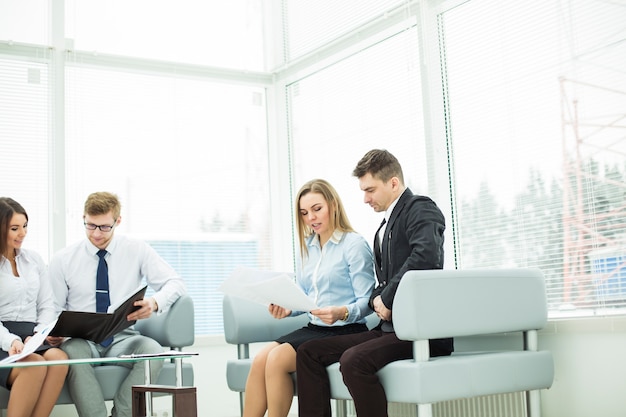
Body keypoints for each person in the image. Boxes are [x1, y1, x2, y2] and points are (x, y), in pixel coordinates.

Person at [296, 149, 454, 417]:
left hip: (420, 332)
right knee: (308, 352)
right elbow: (382, 282)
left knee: (353, 360)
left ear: (393, 183)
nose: (365, 198)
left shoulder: (421, 208)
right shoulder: (386, 226)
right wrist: (377, 300)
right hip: (391, 328)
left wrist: (387, 298)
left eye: (370, 190)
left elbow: (426, 257)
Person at [242, 179, 375, 417]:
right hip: (315, 328)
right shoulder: (307, 247)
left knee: (276, 360)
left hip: (348, 329)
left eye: (317, 209)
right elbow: (305, 298)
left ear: (333, 205)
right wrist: (287, 309)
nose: (311, 218)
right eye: (304, 213)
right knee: (260, 359)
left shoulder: (353, 245)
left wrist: (342, 312)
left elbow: (368, 301)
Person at [47, 191, 186, 417]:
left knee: (152, 351)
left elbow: (176, 282)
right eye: (90, 226)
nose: (96, 234)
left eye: (104, 227)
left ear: (117, 221)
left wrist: (155, 302)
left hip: (122, 338)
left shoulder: (137, 249)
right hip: (82, 341)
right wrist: (54, 332)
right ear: (83, 218)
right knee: (72, 351)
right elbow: (51, 308)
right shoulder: (63, 259)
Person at [0, 197, 69, 417]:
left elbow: (47, 305)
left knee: (58, 358)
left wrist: (38, 334)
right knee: (35, 364)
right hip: (3, 338)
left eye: (25, 226)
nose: (23, 233)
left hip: (30, 337)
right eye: (14, 228)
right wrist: (11, 340)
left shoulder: (34, 260)